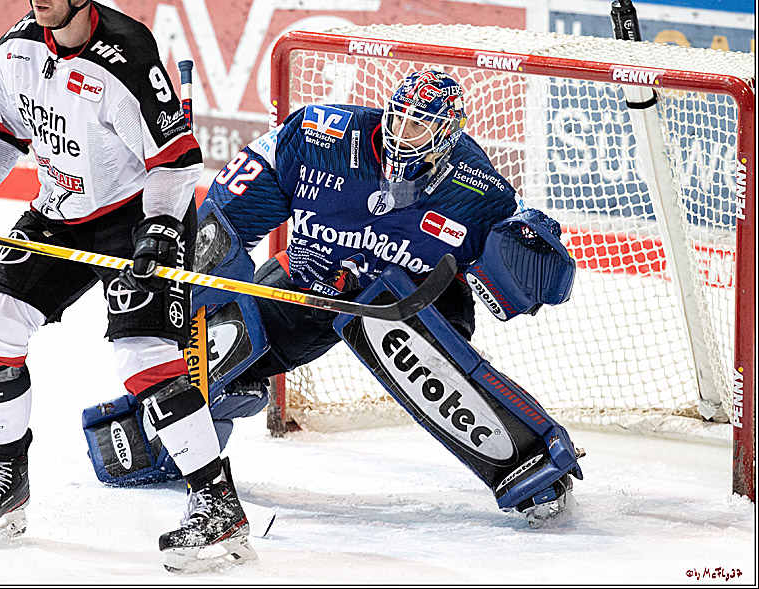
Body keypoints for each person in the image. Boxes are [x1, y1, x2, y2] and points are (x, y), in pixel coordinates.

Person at [89, 69, 585, 524]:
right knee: (222, 338)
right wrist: (192, 269)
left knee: (417, 354)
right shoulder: (319, 135)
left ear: (447, 137)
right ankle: (158, 445)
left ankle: (532, 464)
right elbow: (227, 214)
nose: (402, 133)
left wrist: (530, 248)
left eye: (419, 127)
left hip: (416, 301)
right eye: (399, 118)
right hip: (314, 282)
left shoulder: (476, 188)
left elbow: (518, 273)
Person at [0, 0, 254, 571]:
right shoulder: (17, 48)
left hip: (140, 211)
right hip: (60, 209)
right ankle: (7, 481)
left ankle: (218, 506)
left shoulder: (130, 56)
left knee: (142, 354)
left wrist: (162, 228)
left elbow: (176, 160)